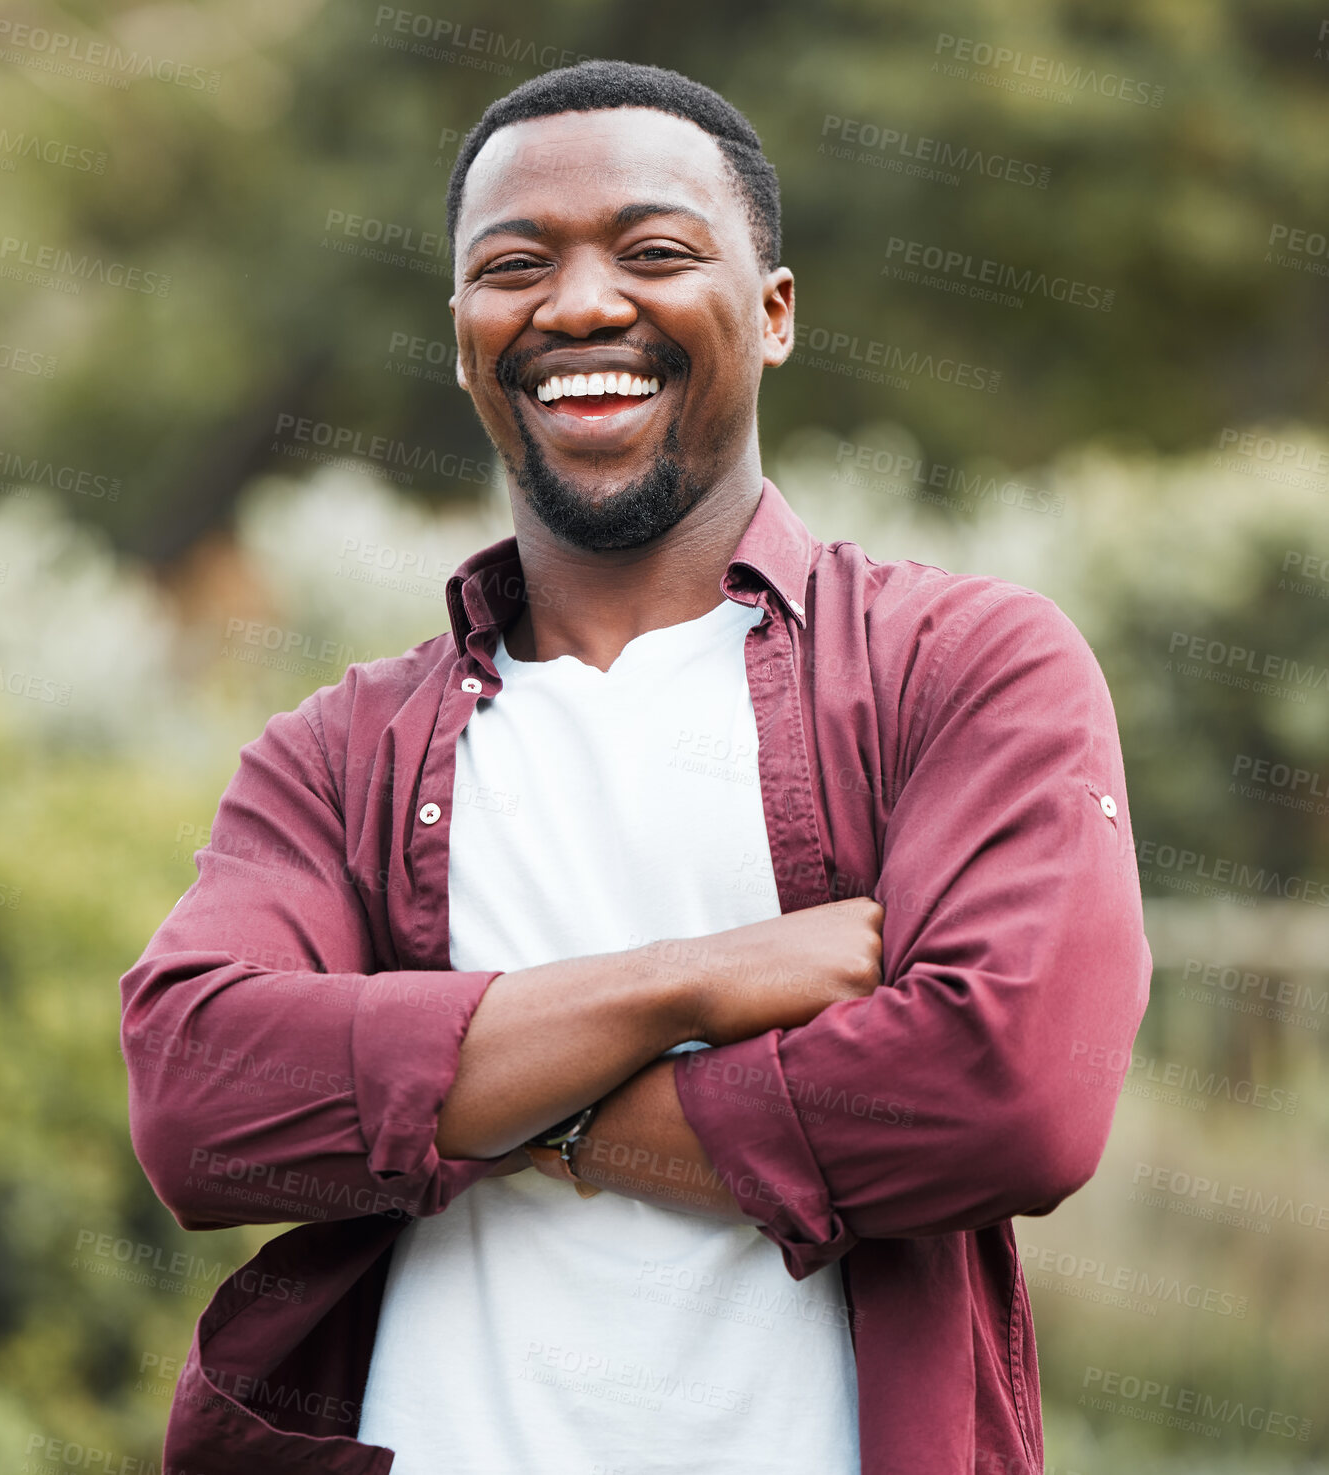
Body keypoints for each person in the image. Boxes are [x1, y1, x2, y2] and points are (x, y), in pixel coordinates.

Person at [120, 58, 1150, 1475]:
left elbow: (1010, 1095)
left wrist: (527, 1116)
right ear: (466, 333)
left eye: (654, 253)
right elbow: (198, 1103)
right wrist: (695, 981)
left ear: (775, 313)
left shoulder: (962, 668)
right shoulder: (334, 754)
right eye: (514, 266)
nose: (582, 304)